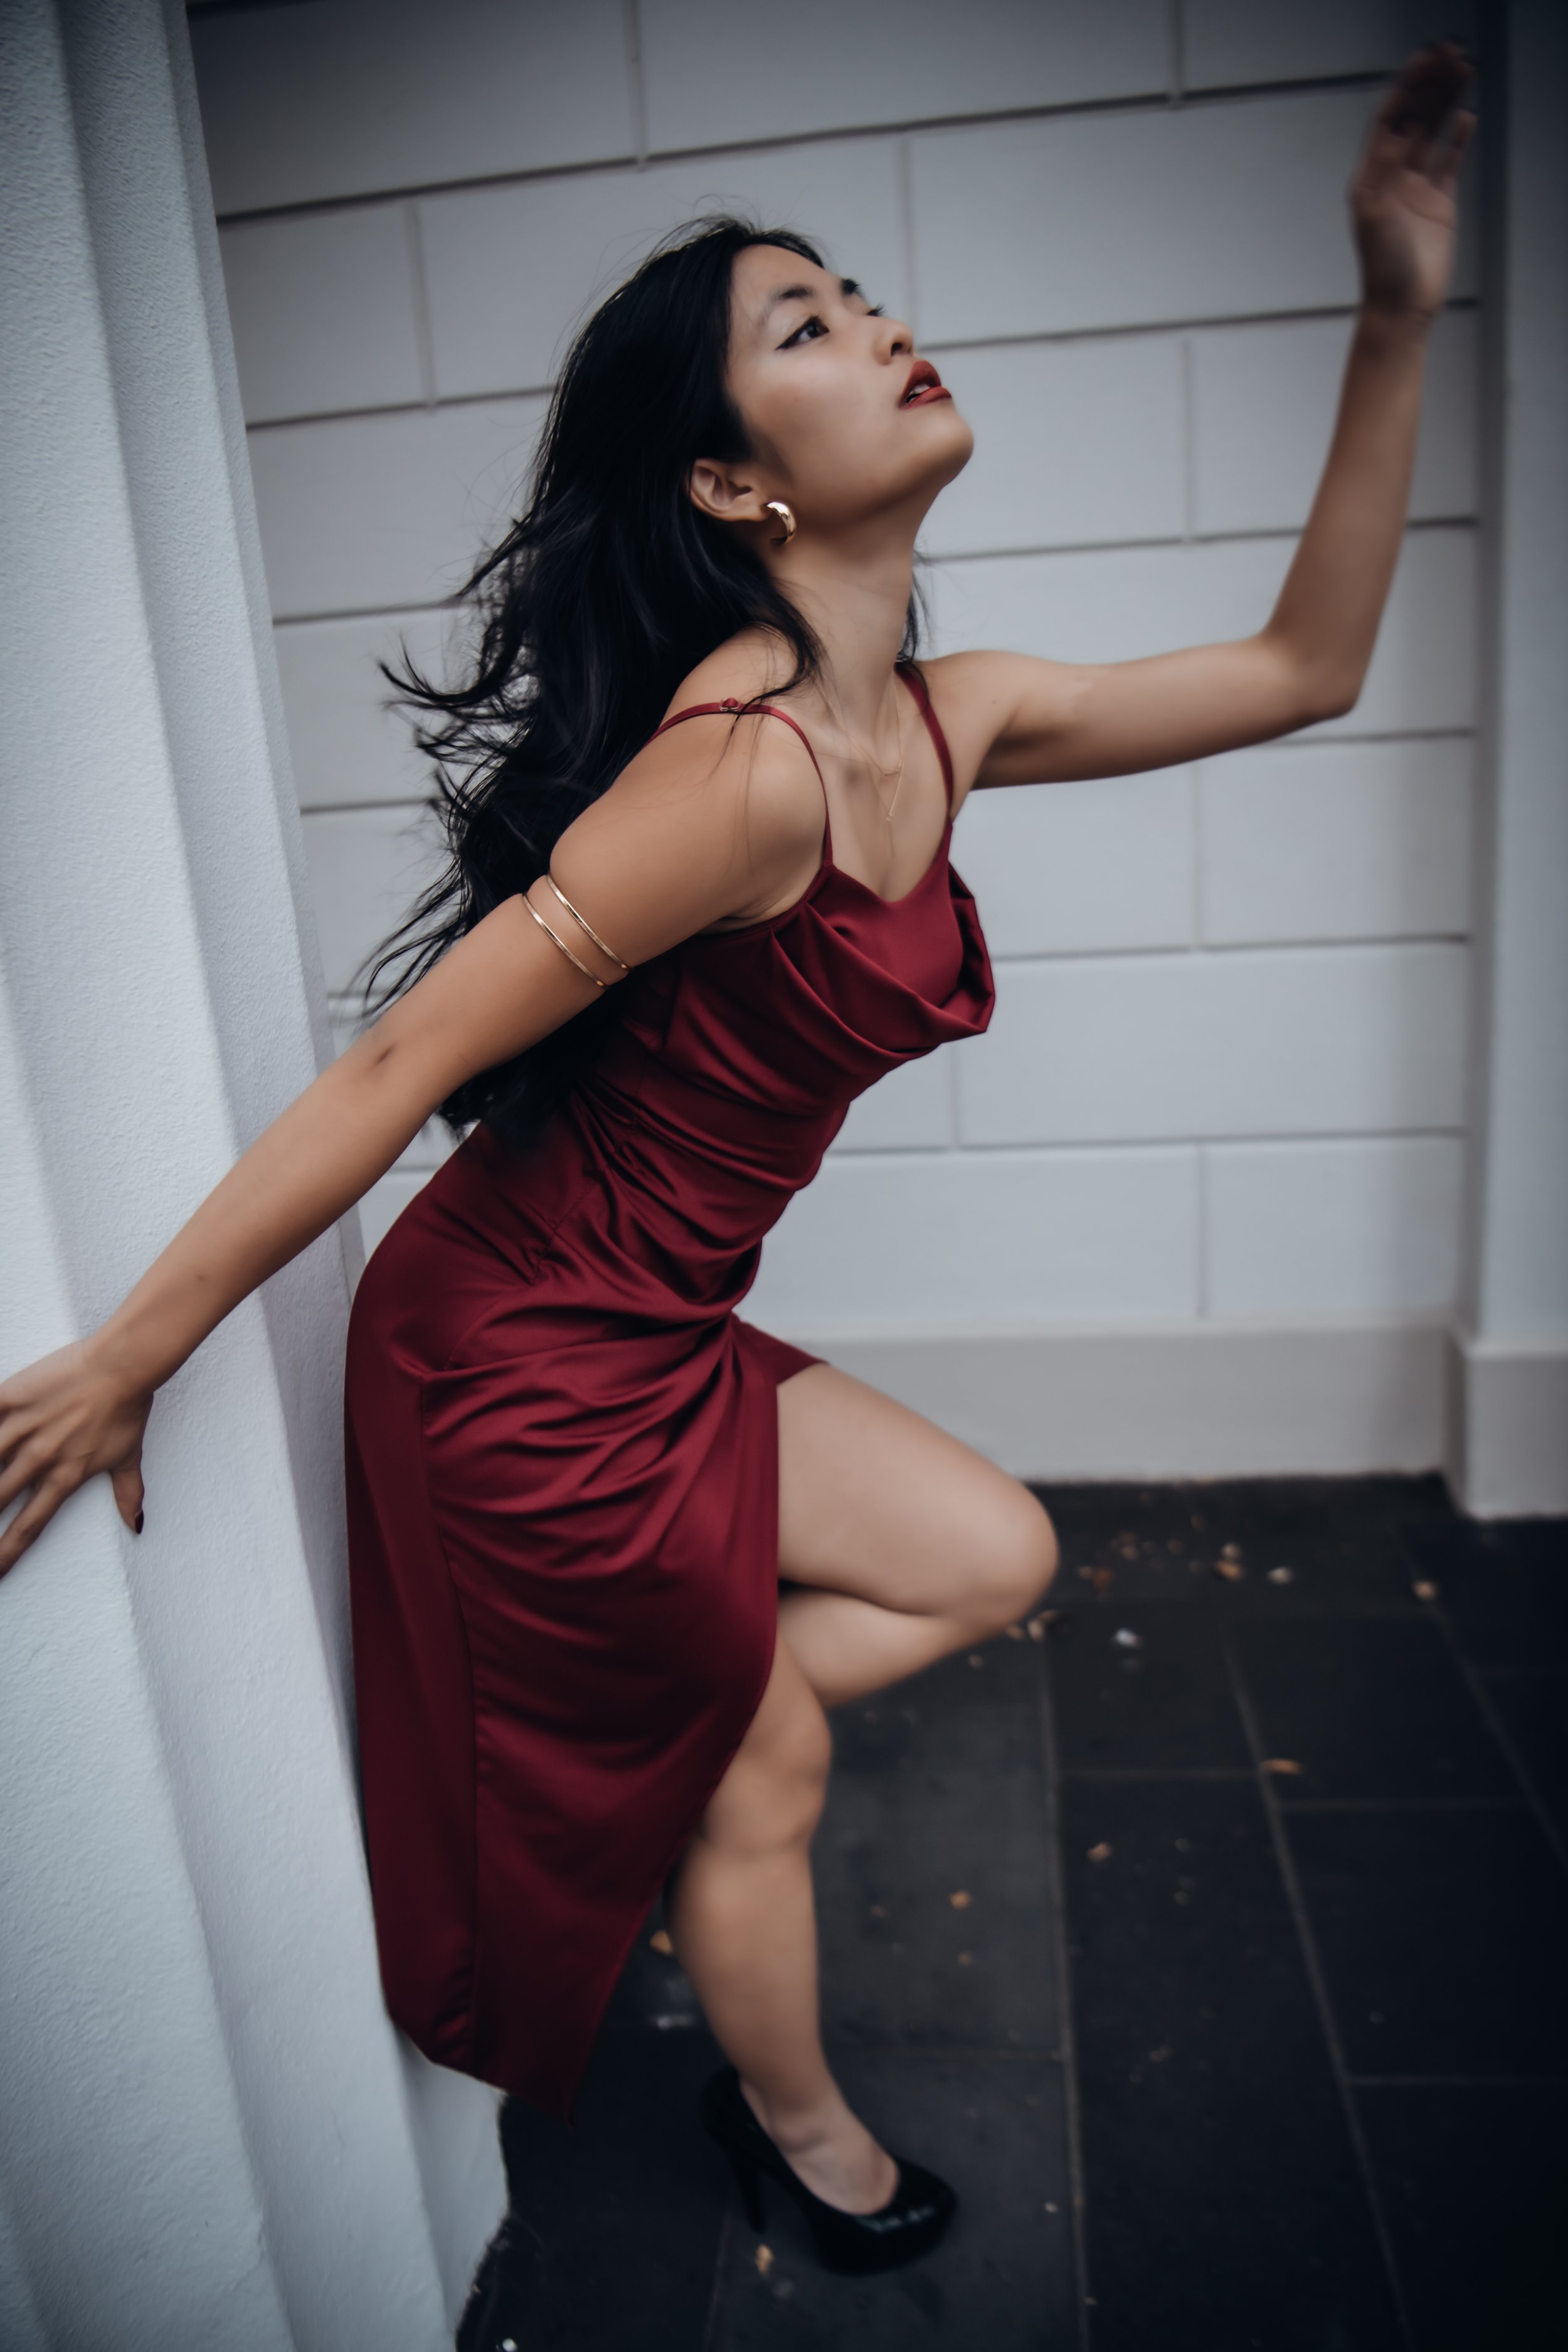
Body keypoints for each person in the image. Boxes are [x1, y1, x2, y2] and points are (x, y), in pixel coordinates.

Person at [0, 43, 1468, 2279]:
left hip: (657, 1332)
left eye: (854, 294)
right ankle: (796, 2123)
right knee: (766, 1762)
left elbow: (1304, 668)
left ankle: (700, 1718)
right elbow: (403, 1060)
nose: (875, 326)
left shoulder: (950, 716)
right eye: (806, 327)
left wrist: (1391, 307)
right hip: (513, 1369)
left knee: (988, 1548)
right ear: (732, 488)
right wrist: (128, 1356)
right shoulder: (744, 777)